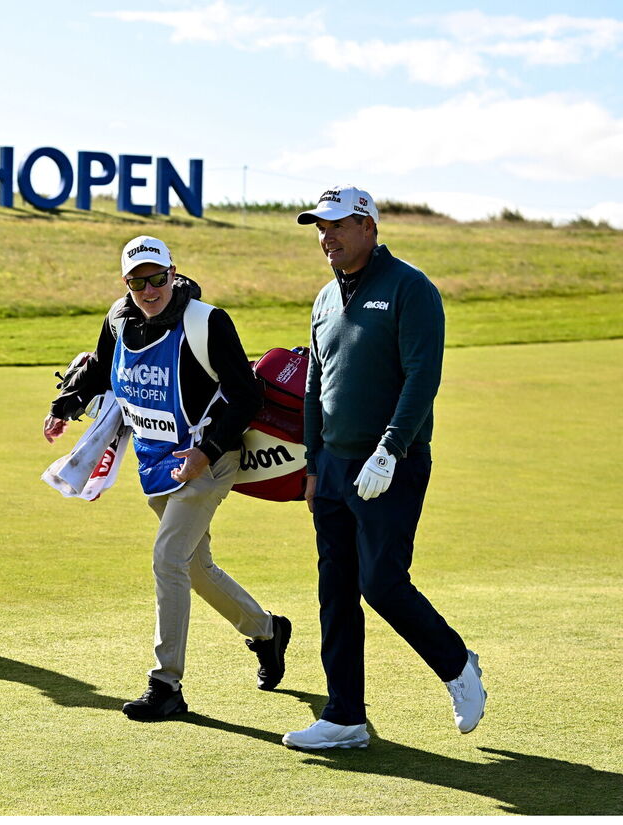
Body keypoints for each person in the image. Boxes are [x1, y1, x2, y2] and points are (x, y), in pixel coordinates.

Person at [44, 235, 291, 721]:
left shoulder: (208, 321)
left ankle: (166, 684)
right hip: (156, 465)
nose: (149, 288)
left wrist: (207, 450)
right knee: (194, 567)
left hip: (210, 462)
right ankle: (266, 630)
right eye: (138, 281)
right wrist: (65, 405)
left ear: (173, 273)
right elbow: (102, 375)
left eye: (158, 277)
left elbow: (245, 396)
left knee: (167, 559)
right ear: (126, 283)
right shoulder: (118, 319)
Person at [283, 186, 486, 750]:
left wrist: (391, 448)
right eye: (320, 229)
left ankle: (457, 664)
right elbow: (315, 383)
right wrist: (311, 462)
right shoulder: (325, 298)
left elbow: (423, 376)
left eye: (338, 226)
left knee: (382, 583)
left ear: (368, 226)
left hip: (389, 465)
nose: (327, 238)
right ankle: (345, 715)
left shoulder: (410, 288)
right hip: (333, 466)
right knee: (336, 590)